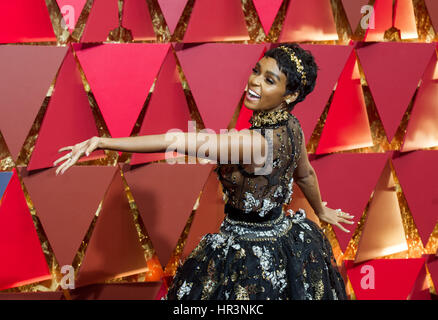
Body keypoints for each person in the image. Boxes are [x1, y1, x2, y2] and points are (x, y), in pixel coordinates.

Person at [54, 43, 353, 300]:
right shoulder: (293, 128)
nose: (254, 82)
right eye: (256, 70)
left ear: (290, 95)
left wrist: (103, 141)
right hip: (285, 240)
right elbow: (305, 174)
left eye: (269, 80)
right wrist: (321, 210)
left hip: (246, 253)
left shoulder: (250, 143)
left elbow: (176, 140)